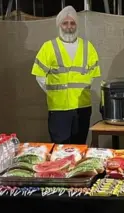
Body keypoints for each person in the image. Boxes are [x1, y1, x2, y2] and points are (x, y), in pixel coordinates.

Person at [31, 6, 101, 144]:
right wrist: (54, 93)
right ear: (59, 25)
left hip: (82, 108)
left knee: (79, 147)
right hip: (59, 109)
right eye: (65, 23)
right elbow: (40, 77)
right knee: (60, 149)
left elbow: (92, 76)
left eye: (72, 23)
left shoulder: (88, 47)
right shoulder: (48, 47)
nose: (69, 27)